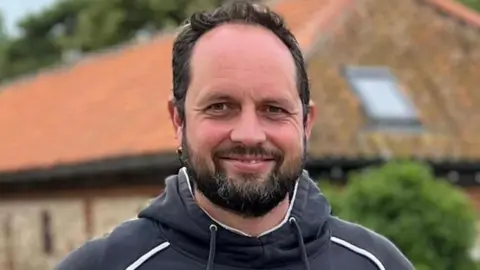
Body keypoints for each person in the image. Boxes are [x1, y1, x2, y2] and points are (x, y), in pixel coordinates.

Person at [56, 1, 414, 269]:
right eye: (220, 107)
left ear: (306, 123)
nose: (249, 135)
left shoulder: (379, 264)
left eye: (274, 109)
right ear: (178, 120)